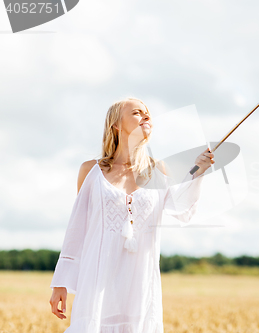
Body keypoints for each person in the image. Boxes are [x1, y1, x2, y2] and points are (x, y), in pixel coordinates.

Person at [48, 97, 214, 332]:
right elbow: (77, 230)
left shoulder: (158, 170)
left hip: (140, 283)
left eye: (148, 113)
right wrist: (61, 284)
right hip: (97, 282)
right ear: (116, 124)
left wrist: (199, 170)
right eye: (137, 112)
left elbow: (182, 208)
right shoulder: (90, 171)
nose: (146, 116)